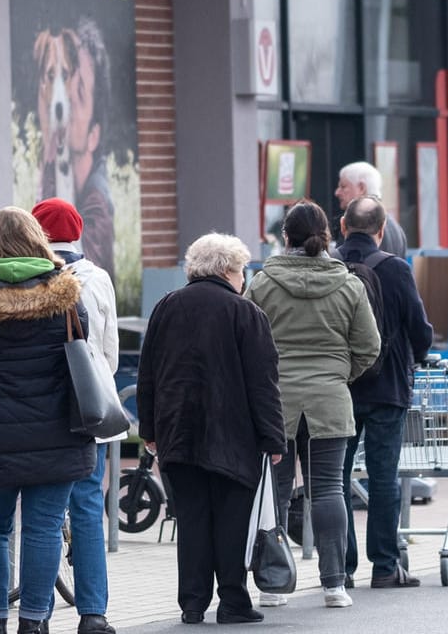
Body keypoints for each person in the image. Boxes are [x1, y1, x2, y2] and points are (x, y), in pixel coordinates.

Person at [0, 207, 94, 634]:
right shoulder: (65, 294)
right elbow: (79, 342)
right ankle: (34, 621)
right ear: (38, 240)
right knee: (44, 528)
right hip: (55, 429)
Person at [138, 233, 285, 626]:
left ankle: (192, 603)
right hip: (233, 436)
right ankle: (233, 602)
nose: (244, 278)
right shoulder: (246, 313)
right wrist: (273, 436)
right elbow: (263, 382)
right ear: (226, 270)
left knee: (191, 519)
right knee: (232, 521)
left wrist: (149, 430)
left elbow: (148, 374)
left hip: (177, 434)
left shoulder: (166, 307)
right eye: (241, 271)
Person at [246, 200, 379, 610]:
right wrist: (340, 374)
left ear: (285, 237)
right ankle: (335, 584)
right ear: (328, 236)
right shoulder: (349, 285)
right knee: (328, 490)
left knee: (277, 492)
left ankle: (272, 584)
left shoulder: (263, 284)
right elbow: (369, 346)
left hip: (276, 400)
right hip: (331, 399)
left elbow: (248, 343)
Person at [336, 196, 434, 589]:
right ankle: (385, 566)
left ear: (343, 226)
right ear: (381, 230)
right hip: (387, 388)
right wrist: (419, 355)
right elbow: (419, 327)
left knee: (335, 480)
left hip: (339, 387)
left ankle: (340, 567)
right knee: (383, 478)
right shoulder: (396, 269)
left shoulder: (329, 266)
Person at [32, 198, 119, 634]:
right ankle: (94, 613)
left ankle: (38, 612)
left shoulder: (30, 279)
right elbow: (110, 353)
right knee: (87, 508)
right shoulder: (97, 277)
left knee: (41, 516)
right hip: (88, 411)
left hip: (42, 413)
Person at [37, 20, 117, 274]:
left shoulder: (97, 208)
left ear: (94, 135)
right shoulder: (64, 178)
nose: (67, 98)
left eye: (79, 89)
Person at [332, 162, 407, 255]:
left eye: (343, 187)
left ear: (361, 188)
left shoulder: (355, 224)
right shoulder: (397, 229)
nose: (337, 192)